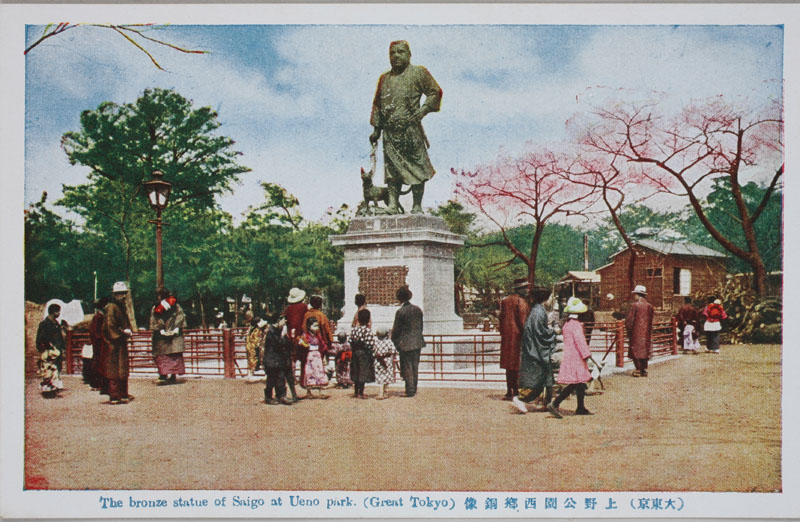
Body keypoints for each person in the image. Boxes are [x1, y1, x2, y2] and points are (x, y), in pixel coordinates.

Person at [369, 40, 442, 214]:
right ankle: (393, 205)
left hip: (410, 130)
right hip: (390, 132)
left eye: (400, 52)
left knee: (418, 167)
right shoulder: (384, 78)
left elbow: (435, 91)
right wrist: (376, 130)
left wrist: (424, 109)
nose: (396, 56)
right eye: (392, 53)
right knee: (392, 170)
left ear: (409, 54)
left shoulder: (419, 73)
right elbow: (377, 104)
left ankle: (417, 205)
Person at [548, 297, 597, 418]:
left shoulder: (567, 325)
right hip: (577, 357)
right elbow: (580, 342)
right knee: (576, 382)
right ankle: (555, 403)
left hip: (570, 355)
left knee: (580, 382)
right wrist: (587, 354)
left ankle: (580, 407)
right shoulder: (576, 326)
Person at [511, 287, 557, 414]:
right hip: (536, 350)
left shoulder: (537, 310)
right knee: (538, 379)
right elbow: (539, 332)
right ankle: (521, 398)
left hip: (535, 348)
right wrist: (552, 332)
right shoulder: (538, 312)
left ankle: (548, 403)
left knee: (546, 377)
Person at [102, 281, 134, 404]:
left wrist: (127, 331)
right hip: (113, 343)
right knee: (114, 370)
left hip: (120, 342)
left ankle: (123, 393)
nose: (124, 296)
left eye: (124, 294)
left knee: (122, 369)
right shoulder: (111, 307)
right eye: (121, 294)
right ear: (115, 295)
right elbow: (110, 326)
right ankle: (114, 395)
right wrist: (122, 333)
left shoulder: (121, 307)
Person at [498, 278, 530, 400]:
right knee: (517, 365)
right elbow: (523, 322)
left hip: (507, 337)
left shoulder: (505, 301)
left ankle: (509, 390)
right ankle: (516, 391)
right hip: (518, 338)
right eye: (525, 288)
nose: (527, 290)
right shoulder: (521, 302)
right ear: (520, 289)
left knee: (508, 366)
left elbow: (501, 319)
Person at [391, 286, 425, 397]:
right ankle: (414, 387)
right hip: (417, 342)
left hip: (405, 343)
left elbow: (396, 330)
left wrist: (395, 342)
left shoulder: (400, 312)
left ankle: (410, 389)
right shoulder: (417, 309)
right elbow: (420, 326)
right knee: (415, 366)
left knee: (407, 367)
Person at [149, 288, 187, 385]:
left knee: (162, 355)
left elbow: (155, 319)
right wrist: (176, 328)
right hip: (174, 334)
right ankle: (172, 376)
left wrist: (161, 329)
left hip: (161, 336)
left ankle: (163, 375)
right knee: (173, 355)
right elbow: (180, 317)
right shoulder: (176, 305)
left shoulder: (156, 307)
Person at [262, 314, 294, 406]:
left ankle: (281, 396)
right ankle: (268, 397)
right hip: (271, 360)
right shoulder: (271, 331)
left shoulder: (276, 330)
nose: (285, 322)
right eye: (283, 320)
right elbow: (277, 345)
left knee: (280, 377)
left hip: (278, 359)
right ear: (278, 321)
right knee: (271, 379)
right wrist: (283, 336)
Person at [282, 287, 308, 400]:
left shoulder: (288, 309)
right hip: (301, 335)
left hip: (290, 336)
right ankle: (303, 380)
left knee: (291, 359)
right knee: (303, 359)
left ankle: (292, 378)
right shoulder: (304, 307)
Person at [626, 285, 655, 377]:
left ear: (637, 295)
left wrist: (629, 331)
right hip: (647, 332)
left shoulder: (635, 305)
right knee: (645, 350)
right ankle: (643, 369)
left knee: (635, 350)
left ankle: (638, 369)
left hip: (636, 332)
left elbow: (629, 321)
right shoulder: (649, 306)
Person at [297, 318, 329, 399]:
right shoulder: (305, 336)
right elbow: (302, 345)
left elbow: (323, 344)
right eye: (314, 326)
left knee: (319, 372)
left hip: (317, 356)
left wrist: (324, 355)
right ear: (309, 326)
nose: (317, 328)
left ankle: (320, 391)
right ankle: (309, 391)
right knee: (309, 372)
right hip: (309, 356)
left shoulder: (318, 336)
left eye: (317, 326)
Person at [36, 303, 66, 390]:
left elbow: (60, 336)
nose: (59, 314)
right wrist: (44, 347)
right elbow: (40, 337)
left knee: (57, 367)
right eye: (58, 312)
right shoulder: (45, 324)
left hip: (57, 349)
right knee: (48, 368)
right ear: (54, 312)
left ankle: (55, 383)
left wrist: (62, 347)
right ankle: (48, 385)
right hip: (49, 349)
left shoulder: (56, 323)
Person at [349, 309, 376, 399]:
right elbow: (370, 344)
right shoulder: (367, 331)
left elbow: (350, 340)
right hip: (364, 353)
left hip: (355, 351)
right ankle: (361, 392)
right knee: (363, 371)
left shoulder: (354, 329)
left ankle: (356, 391)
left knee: (356, 370)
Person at [89, 297, 110, 394]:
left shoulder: (99, 317)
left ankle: (98, 384)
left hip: (98, 343)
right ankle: (97, 384)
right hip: (99, 343)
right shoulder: (99, 317)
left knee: (98, 362)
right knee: (99, 363)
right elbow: (97, 332)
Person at [373, 328, 397, 400]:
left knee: (380, 377)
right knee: (387, 376)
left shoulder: (375, 342)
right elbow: (393, 351)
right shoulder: (389, 342)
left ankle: (381, 392)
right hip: (387, 360)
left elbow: (373, 351)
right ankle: (385, 392)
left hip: (378, 360)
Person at [244, 309, 266, 382]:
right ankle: (253, 373)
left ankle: (254, 373)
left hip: (256, 343)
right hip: (255, 343)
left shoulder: (255, 326)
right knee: (257, 357)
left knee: (258, 357)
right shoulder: (253, 326)